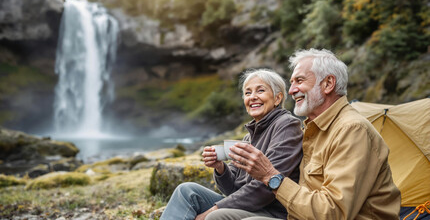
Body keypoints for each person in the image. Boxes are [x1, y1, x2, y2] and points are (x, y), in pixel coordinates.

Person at [229, 49, 402, 219]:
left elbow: (333, 213)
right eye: (292, 82)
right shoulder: (312, 129)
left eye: (299, 80)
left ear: (328, 84)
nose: (291, 90)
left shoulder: (352, 130)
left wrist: (270, 176)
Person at [160, 69, 303, 220]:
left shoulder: (286, 125)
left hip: (271, 211)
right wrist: (220, 168)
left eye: (260, 91)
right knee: (186, 190)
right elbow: (232, 190)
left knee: (214, 216)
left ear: (277, 98)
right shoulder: (249, 137)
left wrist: (213, 209)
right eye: (248, 93)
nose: (253, 97)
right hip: (250, 207)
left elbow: (268, 185)